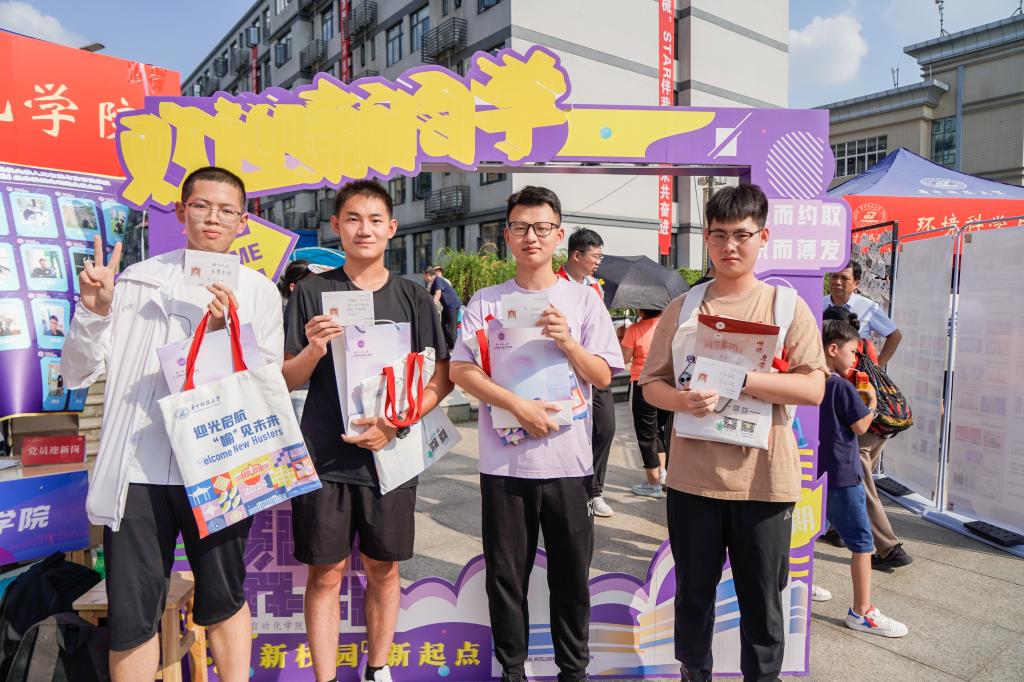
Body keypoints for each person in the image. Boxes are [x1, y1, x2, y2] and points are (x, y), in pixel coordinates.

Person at [60, 166, 283, 682]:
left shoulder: (258, 293)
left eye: (226, 210)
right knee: (133, 615)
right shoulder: (136, 281)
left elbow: (266, 383)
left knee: (224, 597)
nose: (212, 218)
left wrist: (229, 337)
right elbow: (77, 372)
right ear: (181, 212)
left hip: (220, 467)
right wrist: (94, 312)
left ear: (243, 222)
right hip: (138, 469)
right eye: (201, 206)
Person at [639, 184, 827, 682]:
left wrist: (741, 380)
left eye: (742, 235)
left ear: (763, 236)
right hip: (693, 482)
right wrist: (682, 400)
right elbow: (651, 385)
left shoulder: (785, 308)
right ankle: (693, 673)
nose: (729, 246)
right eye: (719, 235)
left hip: (764, 483)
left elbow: (813, 388)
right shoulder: (683, 309)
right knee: (693, 597)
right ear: (706, 237)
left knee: (763, 602)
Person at [450, 186, 623, 682]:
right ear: (507, 235)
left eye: (542, 227)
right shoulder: (486, 301)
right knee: (506, 578)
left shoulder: (583, 300)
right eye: (521, 227)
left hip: (568, 464)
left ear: (558, 234)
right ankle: (513, 670)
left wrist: (568, 341)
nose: (532, 236)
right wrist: (517, 406)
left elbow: (604, 376)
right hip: (504, 465)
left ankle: (574, 670)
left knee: (572, 577)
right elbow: (462, 370)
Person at [282, 180, 453, 682]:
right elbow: (286, 376)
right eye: (353, 219)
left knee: (384, 567)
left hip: (391, 455)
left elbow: (442, 377)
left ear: (392, 228)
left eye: (375, 220)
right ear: (336, 226)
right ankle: (326, 677)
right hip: (325, 456)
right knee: (326, 572)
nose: (365, 229)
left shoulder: (413, 297)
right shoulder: (311, 292)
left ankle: (377, 669)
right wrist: (314, 349)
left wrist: (395, 423)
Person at [813, 318, 909, 637]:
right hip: (842, 473)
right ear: (833, 349)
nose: (855, 358)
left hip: (814, 471)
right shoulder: (840, 386)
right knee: (862, 543)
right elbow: (862, 426)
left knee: (807, 533)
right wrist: (870, 402)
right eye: (853, 351)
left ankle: (799, 581)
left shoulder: (807, 381)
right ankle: (862, 611)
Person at [820, 305, 912, 570]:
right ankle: (839, 530)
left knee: (860, 487)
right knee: (856, 487)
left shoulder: (842, 372)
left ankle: (888, 547)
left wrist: (870, 404)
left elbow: (859, 424)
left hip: (863, 431)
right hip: (874, 429)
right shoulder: (862, 353)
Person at [557, 227, 616, 518]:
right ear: (576, 255)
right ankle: (574, 490)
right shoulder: (556, 285)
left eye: (600, 257)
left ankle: (595, 491)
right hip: (567, 372)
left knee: (605, 427)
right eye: (595, 256)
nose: (598, 262)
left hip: (595, 367)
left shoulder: (595, 286)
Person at [622, 309, 670, 498]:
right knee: (658, 430)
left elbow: (624, 358)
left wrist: (621, 337)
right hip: (666, 383)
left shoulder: (634, 329)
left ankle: (653, 484)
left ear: (641, 308)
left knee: (645, 434)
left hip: (642, 383)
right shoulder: (668, 326)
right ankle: (662, 473)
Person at [824, 260, 902, 366]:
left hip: (854, 371)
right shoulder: (818, 304)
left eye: (844, 278)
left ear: (856, 284)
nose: (838, 282)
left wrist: (878, 366)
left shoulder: (869, 307)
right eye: (834, 276)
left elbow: (895, 335)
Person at [424, 265, 462, 352]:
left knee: (451, 328)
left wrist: (431, 307)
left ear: (428, 274)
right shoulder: (434, 283)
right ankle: (448, 346)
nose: (424, 278)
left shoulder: (438, 280)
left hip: (452, 305)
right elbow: (429, 296)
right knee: (443, 326)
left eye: (424, 276)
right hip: (446, 307)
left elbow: (437, 294)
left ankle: (455, 349)